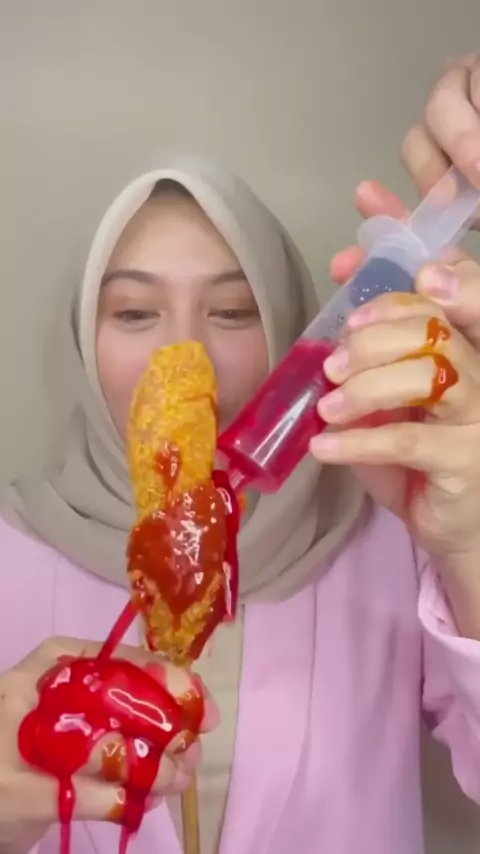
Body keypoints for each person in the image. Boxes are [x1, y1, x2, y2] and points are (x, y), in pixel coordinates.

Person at [0, 51, 480, 854]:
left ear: (293, 327)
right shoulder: (9, 551)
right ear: (82, 341)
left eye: (231, 311)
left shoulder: (388, 540)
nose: (184, 357)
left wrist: (470, 550)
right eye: (134, 312)